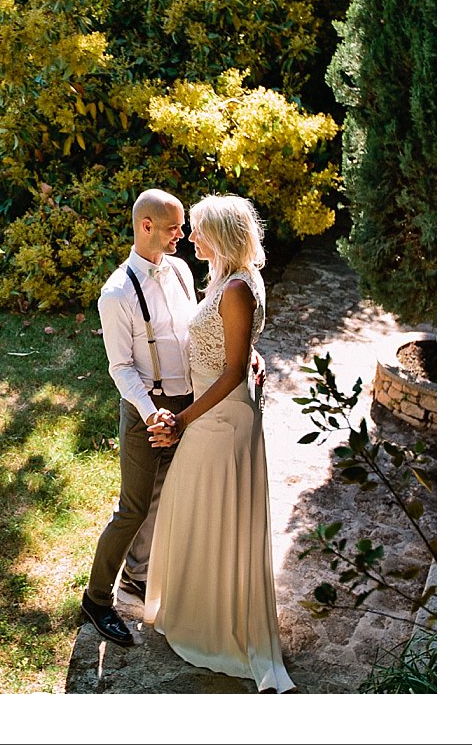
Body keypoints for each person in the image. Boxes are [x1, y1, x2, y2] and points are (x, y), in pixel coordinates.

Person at [142, 194, 295, 693]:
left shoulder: (237, 288)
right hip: (220, 409)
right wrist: (255, 357)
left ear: (223, 236)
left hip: (221, 420)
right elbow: (241, 351)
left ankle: (216, 626)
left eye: (199, 229)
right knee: (198, 510)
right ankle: (194, 610)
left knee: (210, 511)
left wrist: (182, 419)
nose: (190, 236)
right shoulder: (229, 279)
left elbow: (231, 369)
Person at [80, 189, 197, 647]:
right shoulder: (117, 293)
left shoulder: (183, 272)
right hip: (146, 410)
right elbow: (121, 367)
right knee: (132, 509)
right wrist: (152, 417)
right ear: (146, 226)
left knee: (166, 498)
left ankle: (138, 576)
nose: (182, 235)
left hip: (188, 405)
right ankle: (96, 599)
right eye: (174, 228)